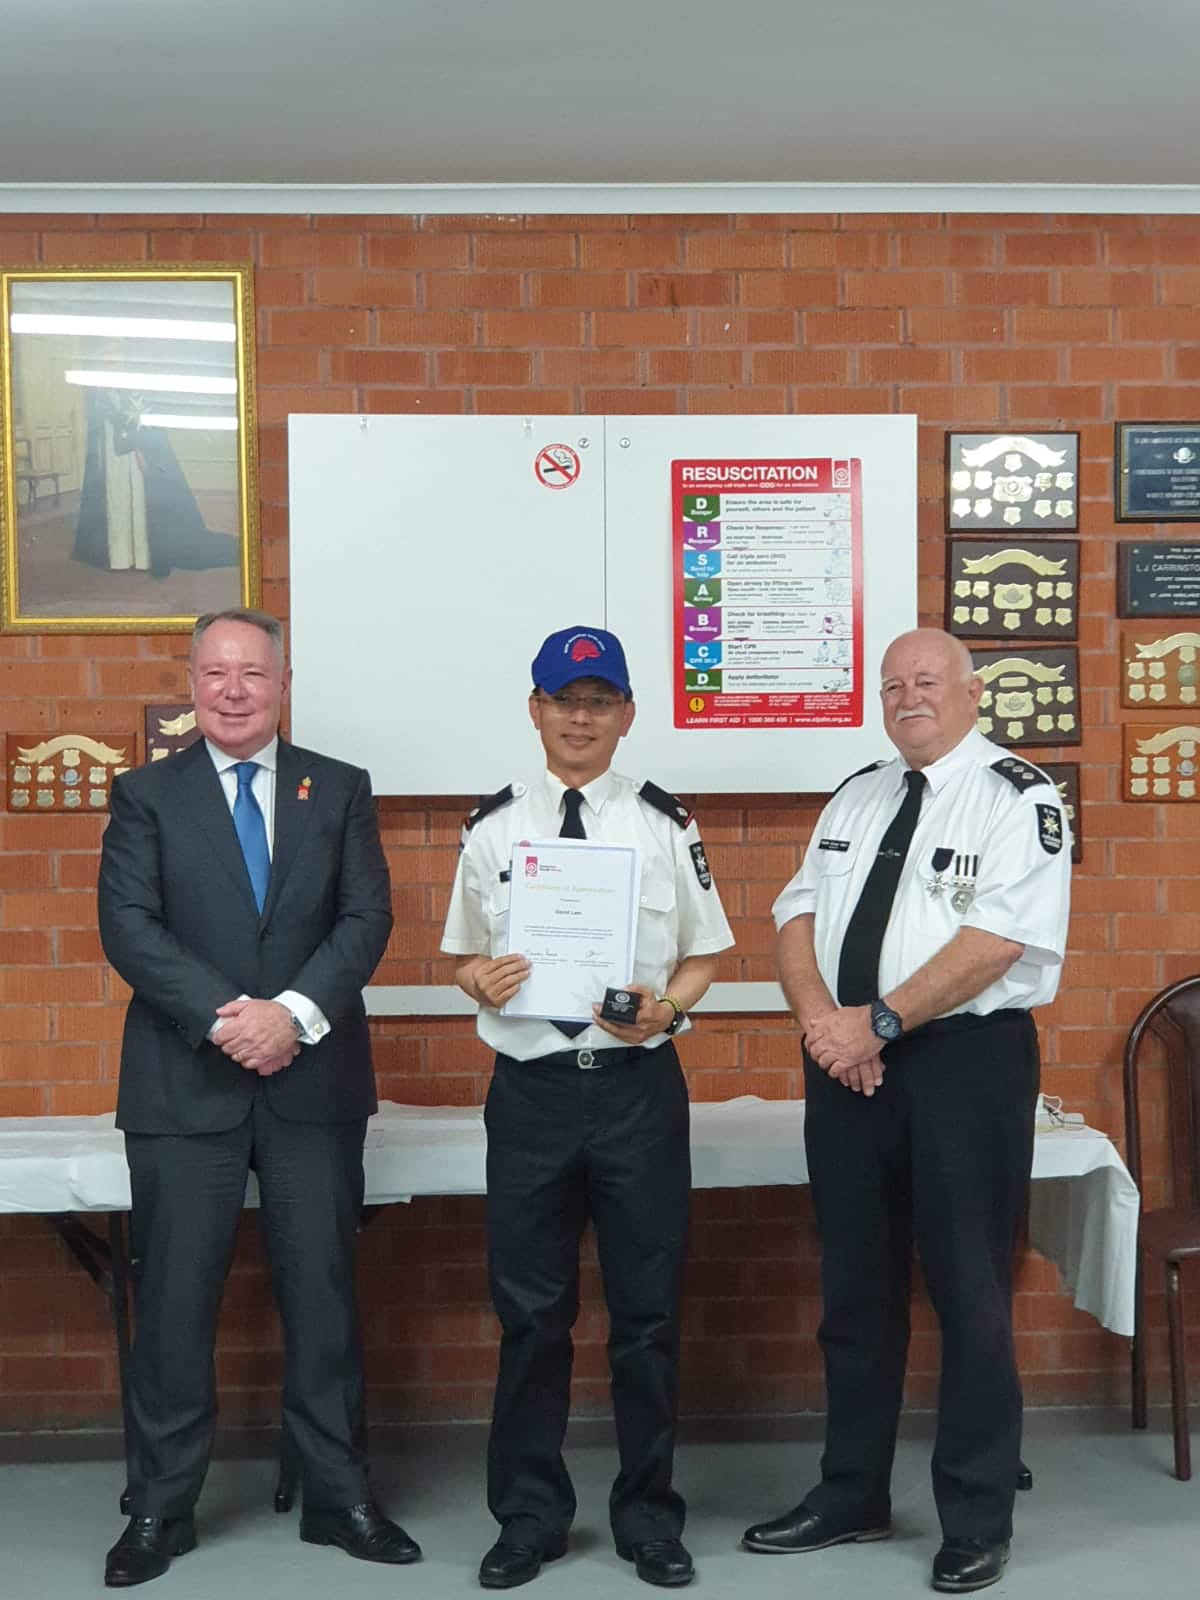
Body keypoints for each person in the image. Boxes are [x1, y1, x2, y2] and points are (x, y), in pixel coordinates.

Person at [741, 628, 1071, 1594]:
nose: (908, 698)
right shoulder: (859, 793)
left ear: (974, 694)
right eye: (892, 686)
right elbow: (794, 914)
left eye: (927, 682)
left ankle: (975, 1515)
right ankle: (850, 1494)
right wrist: (824, 1027)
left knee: (969, 1293)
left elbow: (999, 939)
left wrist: (874, 1022)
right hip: (845, 1065)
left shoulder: (1020, 796)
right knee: (854, 1293)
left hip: (961, 1065)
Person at [97, 607, 418, 1587]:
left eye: (253, 674)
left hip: (311, 1082)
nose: (233, 689)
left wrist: (293, 1016)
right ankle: (158, 1508)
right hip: (183, 1084)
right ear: (193, 683)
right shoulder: (145, 793)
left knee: (321, 1296)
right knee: (176, 1306)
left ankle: (339, 1497)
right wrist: (232, 1018)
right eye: (215, 672)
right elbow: (129, 926)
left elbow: (367, 916)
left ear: (284, 684)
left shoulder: (340, 789)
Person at [441, 625, 734, 1590]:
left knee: (647, 1317)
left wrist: (670, 1009)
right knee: (531, 1316)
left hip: (636, 1091)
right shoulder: (492, 828)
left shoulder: (664, 824)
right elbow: (461, 959)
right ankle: (527, 1516)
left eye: (599, 700)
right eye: (564, 700)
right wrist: (477, 979)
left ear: (626, 716)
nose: (579, 716)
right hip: (529, 1094)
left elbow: (703, 954)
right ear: (535, 710)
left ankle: (650, 1516)